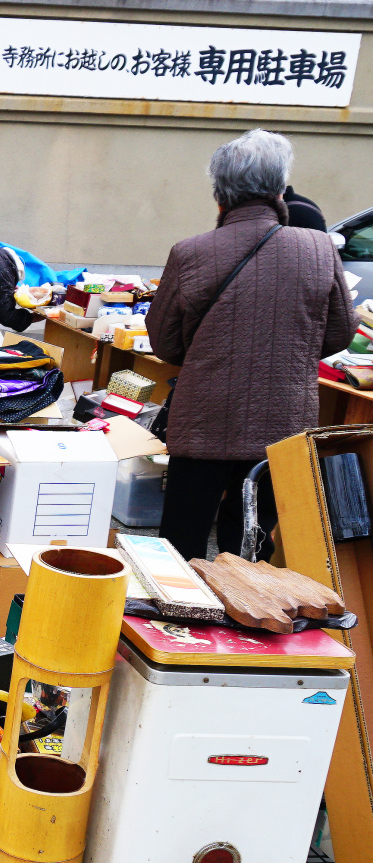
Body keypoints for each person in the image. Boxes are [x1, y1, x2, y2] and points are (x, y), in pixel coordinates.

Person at [146, 128, 356, 562]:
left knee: (180, 543)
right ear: (280, 188)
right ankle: (244, 622)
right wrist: (288, 353)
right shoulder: (318, 248)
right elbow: (339, 332)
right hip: (282, 419)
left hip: (203, 418)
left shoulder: (191, 252)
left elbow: (164, 341)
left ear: (219, 193)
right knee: (250, 545)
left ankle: (171, 621)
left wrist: (211, 353)